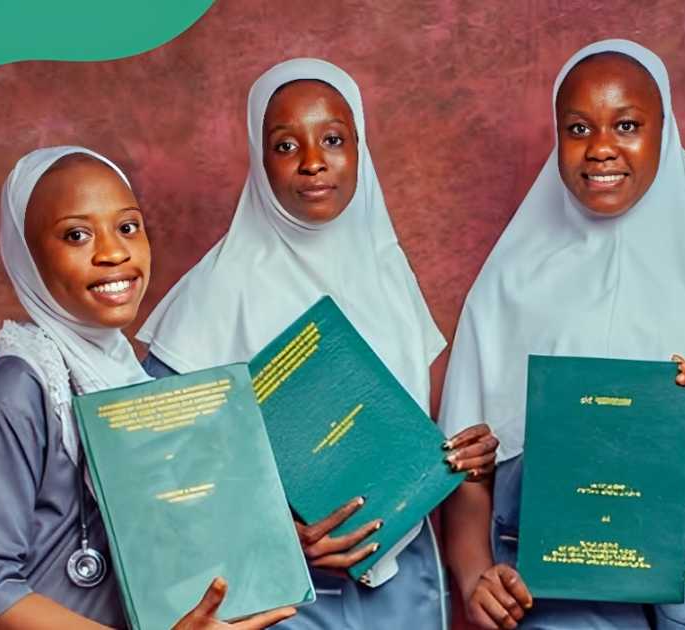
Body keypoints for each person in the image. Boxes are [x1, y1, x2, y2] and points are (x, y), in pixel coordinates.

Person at [438, 40, 685, 629]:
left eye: (627, 124)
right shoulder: (511, 280)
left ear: (665, 130)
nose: (602, 147)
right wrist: (473, 572)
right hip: (557, 574)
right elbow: (468, 458)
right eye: (579, 128)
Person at [136, 59, 497, 630]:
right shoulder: (217, 291)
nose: (312, 162)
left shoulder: (386, 271)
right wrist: (276, 534)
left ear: (360, 149)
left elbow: (393, 434)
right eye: (284, 145)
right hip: (280, 595)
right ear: (259, 161)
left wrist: (457, 457)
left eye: (332, 139)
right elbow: (155, 476)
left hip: (405, 583)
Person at [0, 146, 294, 630]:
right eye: (76, 234)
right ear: (26, 255)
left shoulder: (126, 379)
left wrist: (273, 548)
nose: (113, 252)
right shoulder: (16, 390)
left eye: (128, 227)